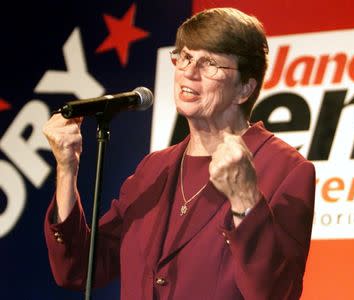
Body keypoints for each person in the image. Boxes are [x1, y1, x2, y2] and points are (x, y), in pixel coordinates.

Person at [43, 7, 316, 300]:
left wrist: (245, 201)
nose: (189, 71)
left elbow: (277, 293)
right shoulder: (154, 168)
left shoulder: (285, 169)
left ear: (245, 88)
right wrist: (66, 169)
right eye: (185, 56)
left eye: (209, 62)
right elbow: (81, 270)